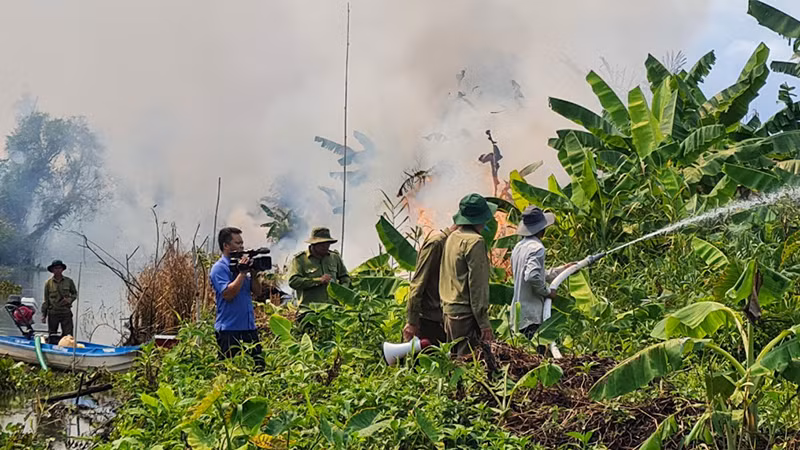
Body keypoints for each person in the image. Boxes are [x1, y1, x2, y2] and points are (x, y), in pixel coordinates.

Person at [440, 193, 497, 356]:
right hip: (465, 314)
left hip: (449, 311)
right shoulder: (475, 242)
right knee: (467, 363)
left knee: (454, 360)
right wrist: (484, 323)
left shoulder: (453, 237)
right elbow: (477, 286)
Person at [510, 206, 574, 344]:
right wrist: (547, 292)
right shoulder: (537, 248)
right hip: (531, 315)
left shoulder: (519, 246)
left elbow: (537, 273)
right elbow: (532, 276)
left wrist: (563, 269)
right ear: (542, 229)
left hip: (517, 315)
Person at [210, 227, 265, 369]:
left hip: (249, 328)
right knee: (231, 372)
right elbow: (228, 295)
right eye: (237, 243)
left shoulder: (243, 265)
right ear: (226, 246)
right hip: (229, 330)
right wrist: (242, 274)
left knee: (258, 368)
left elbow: (258, 292)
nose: (241, 246)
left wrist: (253, 274)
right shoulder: (219, 268)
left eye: (242, 243)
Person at [402, 224, 457, 345]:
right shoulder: (436, 244)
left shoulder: (455, 245)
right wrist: (412, 321)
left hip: (443, 319)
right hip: (428, 320)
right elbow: (418, 284)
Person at [288, 227, 350, 306]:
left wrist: (342, 289)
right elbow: (293, 282)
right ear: (314, 244)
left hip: (333, 309)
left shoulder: (335, 258)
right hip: (310, 309)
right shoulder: (300, 260)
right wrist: (318, 281)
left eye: (327, 244)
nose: (326, 247)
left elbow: (345, 277)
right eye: (322, 245)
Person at [41, 260, 78, 344]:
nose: (57, 270)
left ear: (62, 269)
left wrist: (69, 300)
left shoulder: (69, 281)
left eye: (59, 268)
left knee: (68, 336)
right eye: (55, 268)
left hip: (66, 313)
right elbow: (46, 300)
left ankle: (67, 351)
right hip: (53, 313)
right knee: (52, 335)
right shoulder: (48, 283)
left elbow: (75, 294)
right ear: (52, 270)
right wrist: (44, 315)